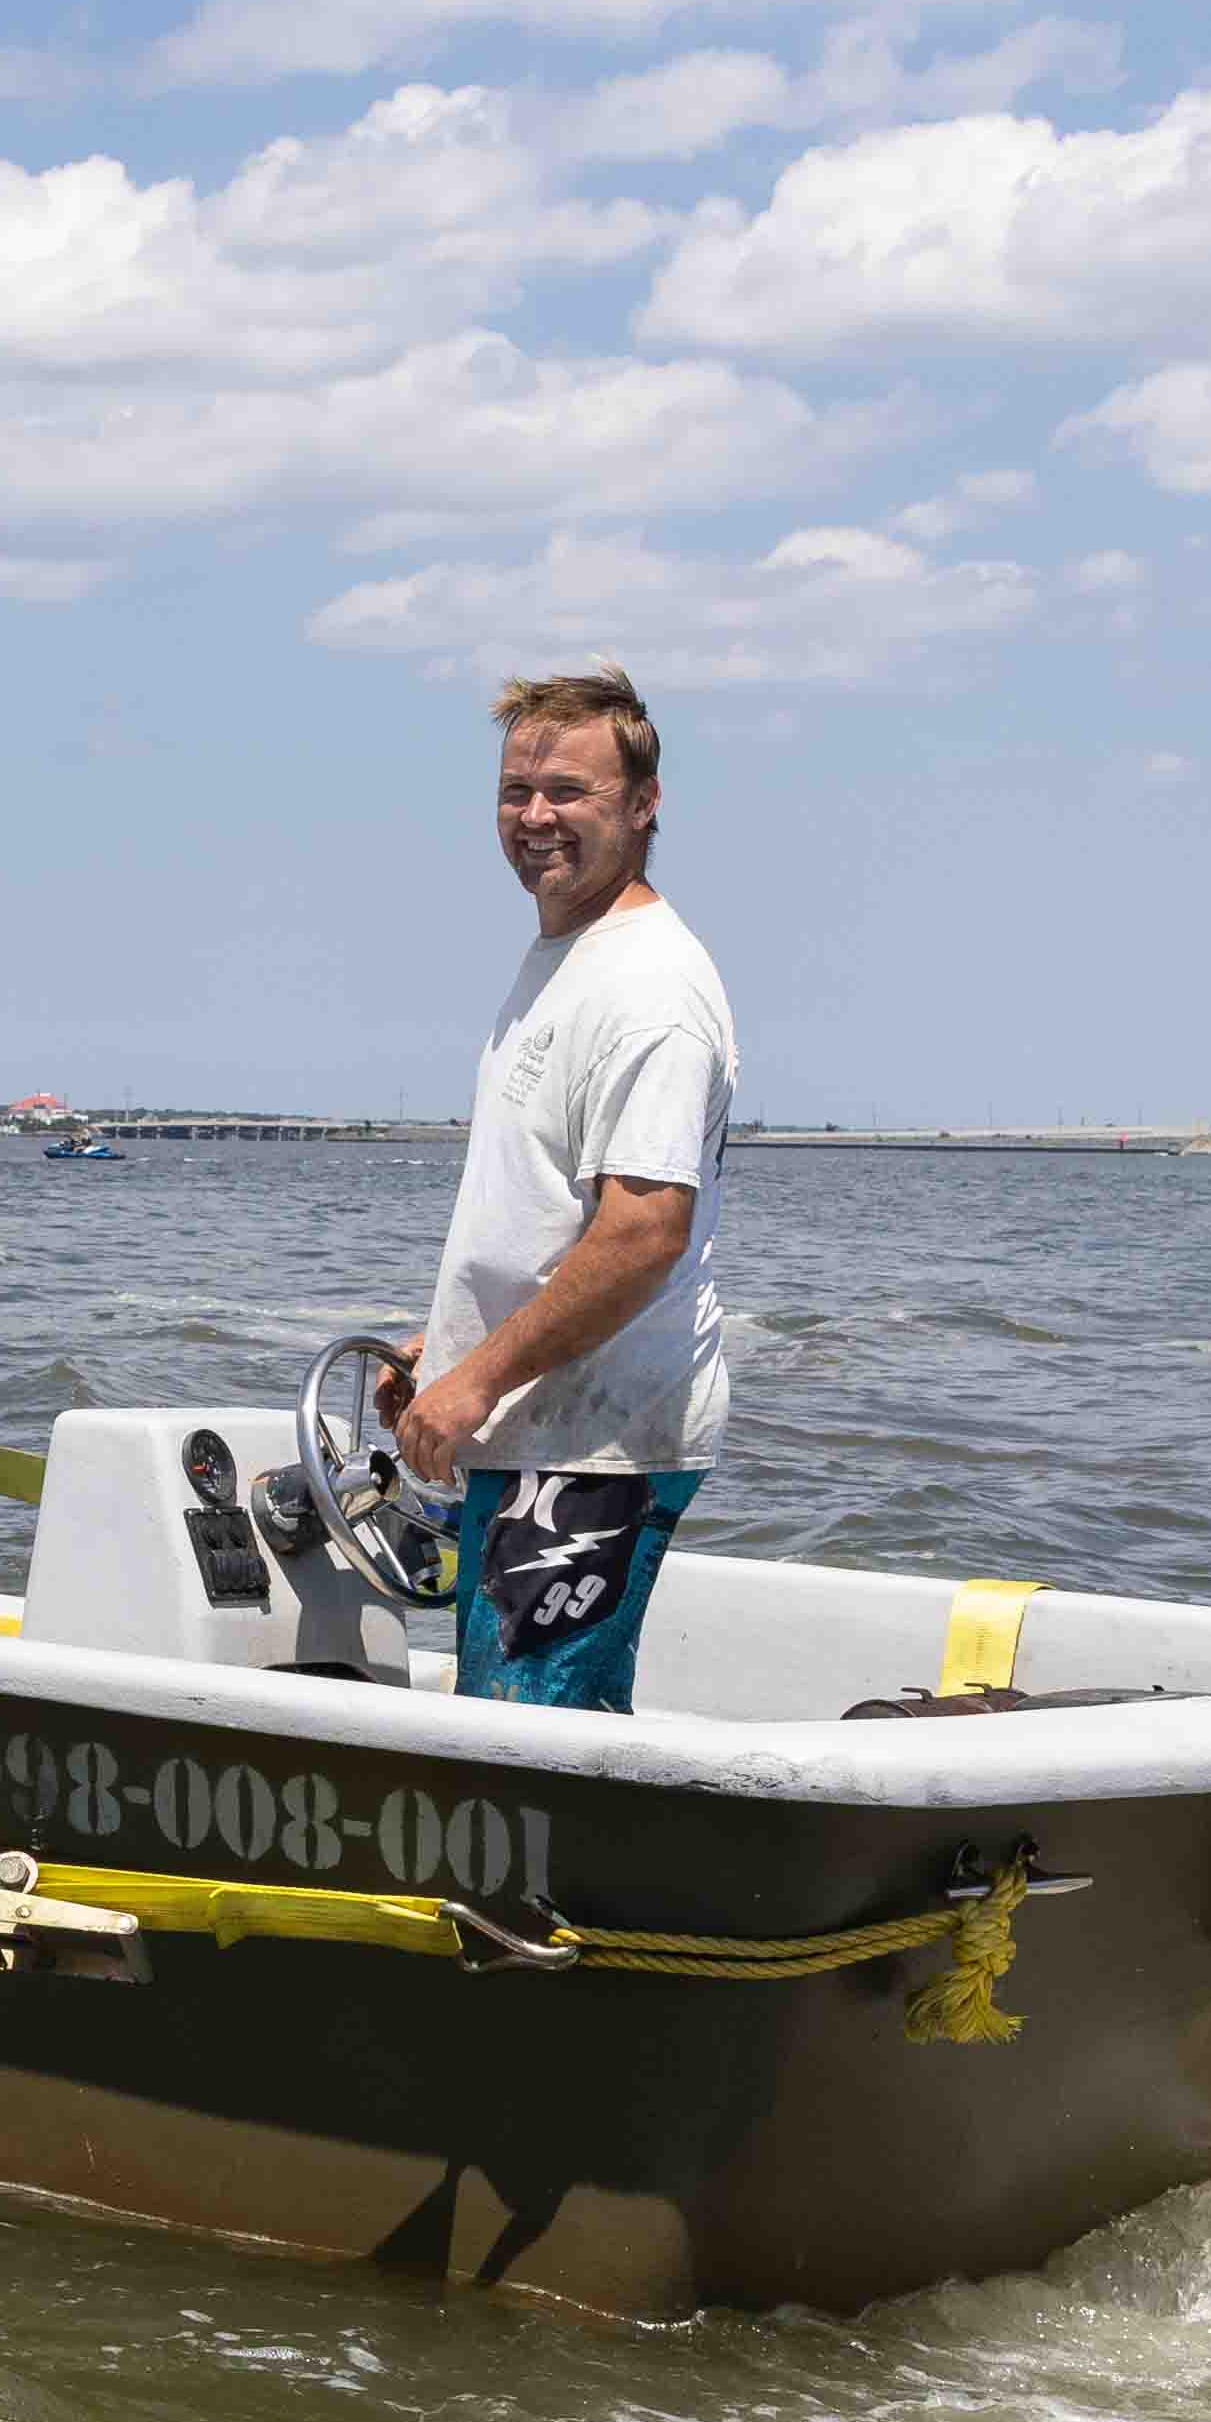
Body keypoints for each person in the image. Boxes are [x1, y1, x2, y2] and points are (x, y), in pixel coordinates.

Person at [383, 663, 735, 1710]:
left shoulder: (647, 986)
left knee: (535, 1744)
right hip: (537, 1431)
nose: (534, 816)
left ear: (642, 804)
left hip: (595, 1446)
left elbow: (641, 1233)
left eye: (567, 792)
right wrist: (445, 1347)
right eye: (514, 791)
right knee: (501, 1720)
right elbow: (545, 1214)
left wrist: (478, 1378)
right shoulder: (564, 956)